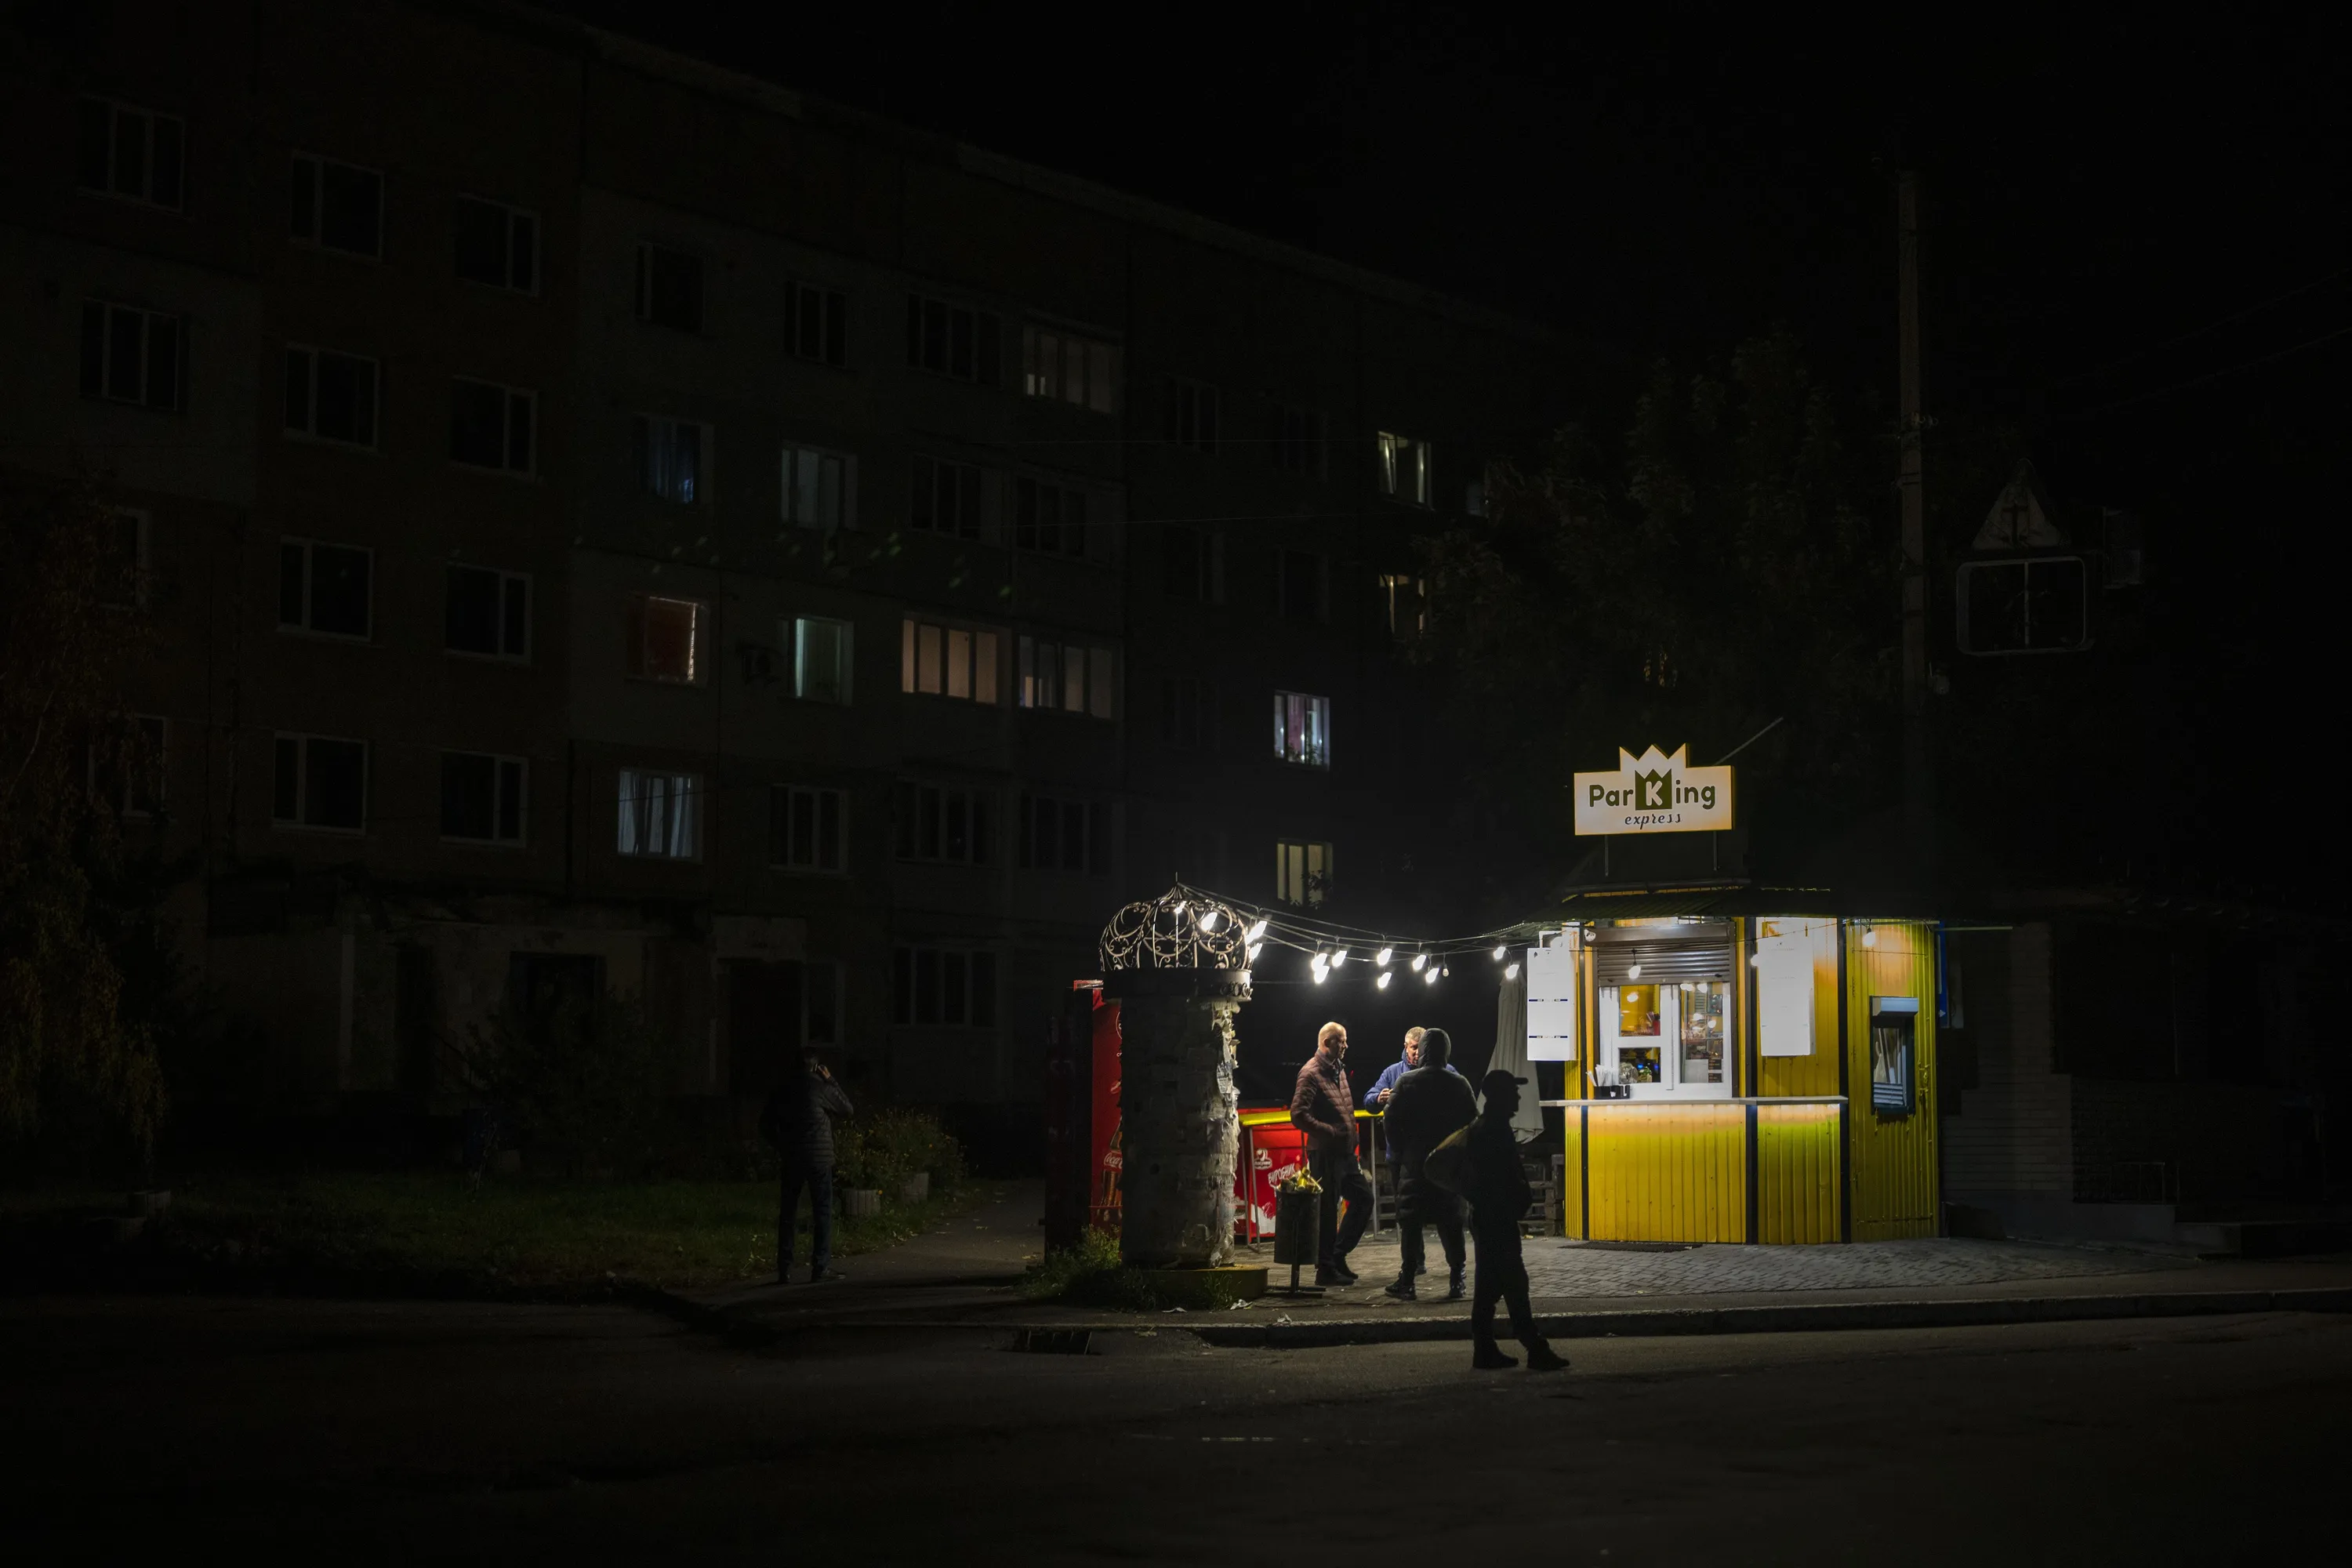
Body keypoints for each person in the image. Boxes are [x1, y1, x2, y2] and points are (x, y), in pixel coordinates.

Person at [1465, 1069, 1568, 1371]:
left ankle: (1488, 1349)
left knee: (1492, 1286)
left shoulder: (1487, 1126)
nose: (1518, 1096)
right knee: (1512, 1284)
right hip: (1496, 1218)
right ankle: (1533, 1347)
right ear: (1500, 1096)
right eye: (1513, 1091)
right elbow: (1501, 1177)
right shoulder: (1492, 1131)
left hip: (1490, 1217)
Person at [1381, 1027, 1477, 1301]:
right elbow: (1473, 1124)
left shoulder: (1406, 1082)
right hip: (1447, 1168)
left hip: (1414, 1164)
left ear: (1422, 1051)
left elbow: (1390, 1120)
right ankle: (1457, 1280)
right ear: (1446, 1051)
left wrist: (1402, 1151)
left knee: (1411, 1223)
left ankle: (1408, 1281)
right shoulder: (1460, 1084)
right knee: (1452, 1223)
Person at [1290, 1020, 1373, 1286]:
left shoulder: (1338, 1069)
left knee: (1364, 1199)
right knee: (1327, 1211)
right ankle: (1325, 1269)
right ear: (1327, 1043)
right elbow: (1298, 1114)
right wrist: (1331, 1132)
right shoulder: (1310, 1073)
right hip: (1325, 1154)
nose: (1346, 1045)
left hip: (1344, 1154)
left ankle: (1336, 1255)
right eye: (1341, 1040)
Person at [763, 1049, 855, 1284]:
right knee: (822, 1212)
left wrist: (781, 1146)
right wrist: (831, 1079)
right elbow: (847, 1109)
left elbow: (765, 1124)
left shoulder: (783, 1090)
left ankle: (784, 1269)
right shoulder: (820, 1087)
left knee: (788, 1214)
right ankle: (820, 1267)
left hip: (792, 1158)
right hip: (819, 1160)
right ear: (816, 1068)